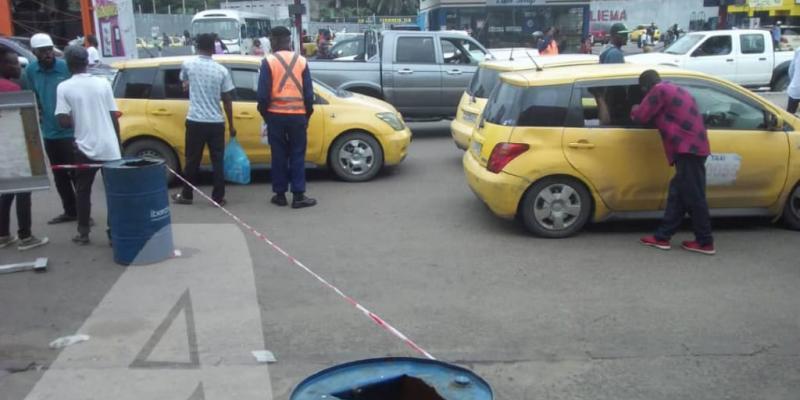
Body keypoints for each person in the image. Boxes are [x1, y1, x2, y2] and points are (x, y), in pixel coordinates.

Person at [631, 70, 714, 255]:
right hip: (694, 147)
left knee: (695, 197)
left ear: (645, 87)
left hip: (687, 148)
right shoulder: (675, 88)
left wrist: (634, 107)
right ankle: (662, 237)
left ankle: (705, 242)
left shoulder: (658, 90)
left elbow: (641, 116)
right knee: (678, 194)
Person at [54, 46, 121, 245]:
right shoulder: (103, 84)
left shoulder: (64, 87)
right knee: (113, 192)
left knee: (83, 190)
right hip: (109, 145)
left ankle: (83, 233)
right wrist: (118, 143)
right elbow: (113, 115)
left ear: (68, 63)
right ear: (87, 62)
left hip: (84, 147)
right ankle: (113, 233)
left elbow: (62, 121)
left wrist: (79, 116)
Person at [171, 33, 236, 207]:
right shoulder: (221, 70)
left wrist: (189, 86)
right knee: (218, 161)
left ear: (197, 46)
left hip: (195, 121)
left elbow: (183, 83)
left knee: (192, 160)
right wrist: (231, 124)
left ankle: (187, 194)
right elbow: (227, 99)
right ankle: (218, 197)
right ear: (213, 48)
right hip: (216, 122)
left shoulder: (188, 64)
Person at [257, 26, 316, 209]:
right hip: (298, 116)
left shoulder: (268, 62)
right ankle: (298, 196)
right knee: (298, 154)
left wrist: (266, 116)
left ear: (274, 40)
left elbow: (262, 96)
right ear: (288, 41)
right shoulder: (301, 61)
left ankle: (280, 195)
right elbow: (308, 95)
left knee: (278, 155)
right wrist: (306, 116)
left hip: (275, 116)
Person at [25, 33, 78, 225]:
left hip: (70, 132)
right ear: (35, 52)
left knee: (76, 174)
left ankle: (83, 213)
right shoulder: (31, 71)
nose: (48, 54)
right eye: (43, 51)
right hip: (49, 132)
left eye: (49, 50)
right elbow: (32, 96)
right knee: (59, 175)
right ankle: (70, 211)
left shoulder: (65, 68)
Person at [0, 46, 49, 250]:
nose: (18, 66)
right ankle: (26, 236)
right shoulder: (10, 89)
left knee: (6, 191)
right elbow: (24, 123)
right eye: (13, 62)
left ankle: (3, 235)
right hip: (15, 147)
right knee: (23, 190)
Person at [787, 45, 800, 114]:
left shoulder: (798, 50)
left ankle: (787, 124)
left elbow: (791, 70)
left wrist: (794, 82)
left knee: (789, 116)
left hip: (795, 89)